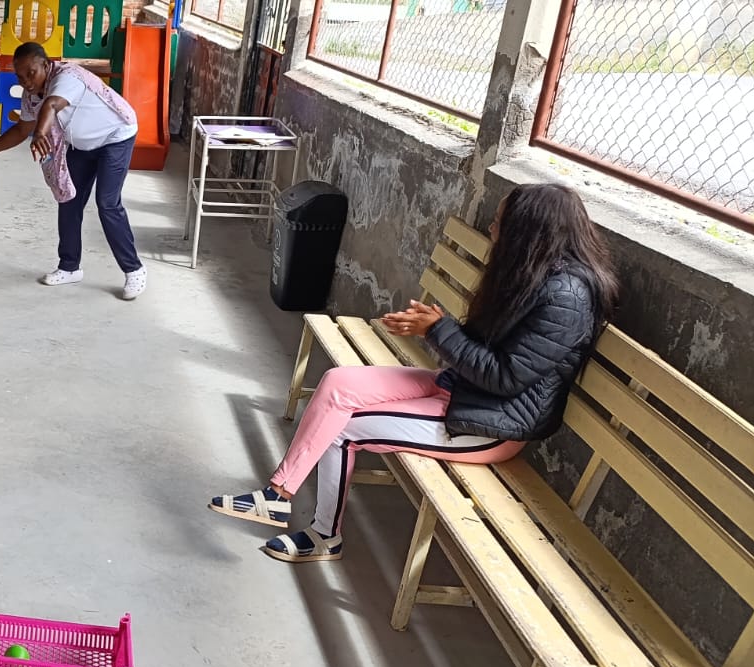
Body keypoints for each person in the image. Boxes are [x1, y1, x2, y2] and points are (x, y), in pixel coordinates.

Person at [209, 184, 619, 563]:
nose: (492, 229)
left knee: (344, 431)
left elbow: (505, 377)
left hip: (492, 425)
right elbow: (486, 347)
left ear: (529, 233)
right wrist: (433, 326)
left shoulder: (566, 299)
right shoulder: (534, 273)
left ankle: (324, 536)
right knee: (339, 383)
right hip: (463, 392)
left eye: (500, 223)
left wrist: (437, 330)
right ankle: (277, 496)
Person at [0, 42, 147, 300]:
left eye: (31, 73)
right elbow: (21, 129)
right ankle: (70, 266)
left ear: (46, 64)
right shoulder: (31, 95)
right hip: (82, 144)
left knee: (107, 203)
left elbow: (51, 105)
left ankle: (134, 269)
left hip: (115, 136)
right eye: (20, 76)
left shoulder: (68, 77)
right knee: (68, 198)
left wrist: (41, 132)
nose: (26, 81)